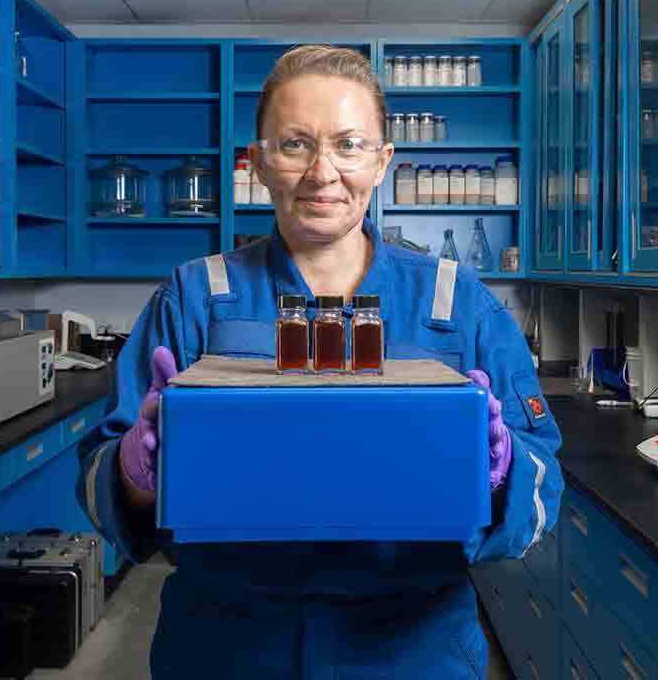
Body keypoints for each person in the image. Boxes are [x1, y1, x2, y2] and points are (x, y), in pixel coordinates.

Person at [76, 45, 562, 679]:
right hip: (226, 648)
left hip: (410, 648)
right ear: (257, 161)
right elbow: (98, 484)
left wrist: (499, 478)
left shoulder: (454, 301)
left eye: (350, 144)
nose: (323, 172)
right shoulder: (195, 297)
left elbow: (544, 480)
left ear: (384, 161)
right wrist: (136, 473)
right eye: (296, 144)